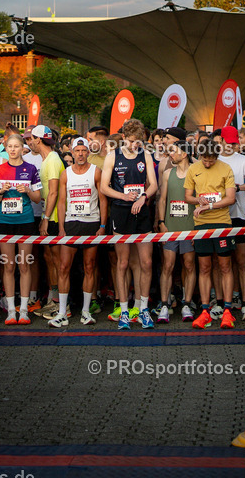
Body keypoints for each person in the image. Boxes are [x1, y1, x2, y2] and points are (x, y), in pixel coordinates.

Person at [100, 118, 158, 330]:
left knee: (146, 262)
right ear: (123, 138)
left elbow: (153, 184)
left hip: (141, 212)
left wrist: (143, 197)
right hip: (121, 211)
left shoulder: (146, 154)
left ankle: (143, 309)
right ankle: (124, 310)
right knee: (122, 263)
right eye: (132, 140)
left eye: (139, 140)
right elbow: (104, 187)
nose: (136, 144)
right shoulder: (112, 156)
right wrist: (124, 197)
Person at [48, 136, 108, 328]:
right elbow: (62, 201)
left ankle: (85, 311)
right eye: (77, 151)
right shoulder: (66, 174)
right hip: (71, 224)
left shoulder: (96, 172)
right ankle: (62, 312)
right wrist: (61, 227)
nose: (81, 154)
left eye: (84, 151)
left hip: (91, 224)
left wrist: (103, 226)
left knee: (89, 267)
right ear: (72, 153)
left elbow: (103, 200)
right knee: (64, 267)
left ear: (88, 152)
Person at [184, 138, 237, 329]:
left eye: (211, 160)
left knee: (225, 266)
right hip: (201, 224)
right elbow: (187, 196)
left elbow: (231, 198)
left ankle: (228, 310)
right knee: (204, 267)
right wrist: (199, 200)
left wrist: (210, 205)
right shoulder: (193, 169)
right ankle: (205, 310)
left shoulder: (226, 168)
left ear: (217, 156)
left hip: (222, 222)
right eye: (204, 160)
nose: (207, 163)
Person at [0, 132, 42, 324]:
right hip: (5, 222)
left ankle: (24, 310)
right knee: (9, 266)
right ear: (6, 149)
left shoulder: (30, 169)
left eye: (16, 147)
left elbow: (38, 198)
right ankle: (11, 311)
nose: (12, 150)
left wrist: (28, 190)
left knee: (24, 265)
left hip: (26, 221)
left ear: (22, 149)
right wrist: (2, 191)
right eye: (9, 147)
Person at [155, 137, 197, 322]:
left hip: (190, 227)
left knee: (189, 265)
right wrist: (162, 223)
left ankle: (187, 304)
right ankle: (165, 304)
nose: (170, 153)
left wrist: (198, 228)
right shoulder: (167, 173)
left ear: (184, 153)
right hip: (171, 227)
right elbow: (162, 199)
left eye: (173, 150)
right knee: (168, 265)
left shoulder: (195, 173)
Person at [218, 126, 245, 322]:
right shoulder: (215, 160)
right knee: (224, 263)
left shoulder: (243, 160)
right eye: (228, 142)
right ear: (221, 141)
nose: (231, 145)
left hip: (239, 216)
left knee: (242, 261)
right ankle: (226, 300)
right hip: (219, 217)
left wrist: (239, 187)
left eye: (235, 142)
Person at [26, 124, 64, 317]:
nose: (29, 142)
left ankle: (59, 303)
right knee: (50, 259)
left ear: (38, 140)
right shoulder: (47, 159)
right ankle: (53, 298)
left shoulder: (53, 160)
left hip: (54, 216)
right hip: (48, 214)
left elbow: (54, 192)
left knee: (56, 261)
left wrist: (46, 219)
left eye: (30, 138)